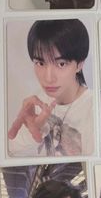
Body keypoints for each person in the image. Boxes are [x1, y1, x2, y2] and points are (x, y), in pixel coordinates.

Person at [8, 19, 94, 157]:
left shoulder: (95, 108)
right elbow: (9, 150)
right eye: (40, 63)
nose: (48, 78)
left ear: (79, 64)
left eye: (61, 64)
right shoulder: (36, 103)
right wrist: (32, 131)